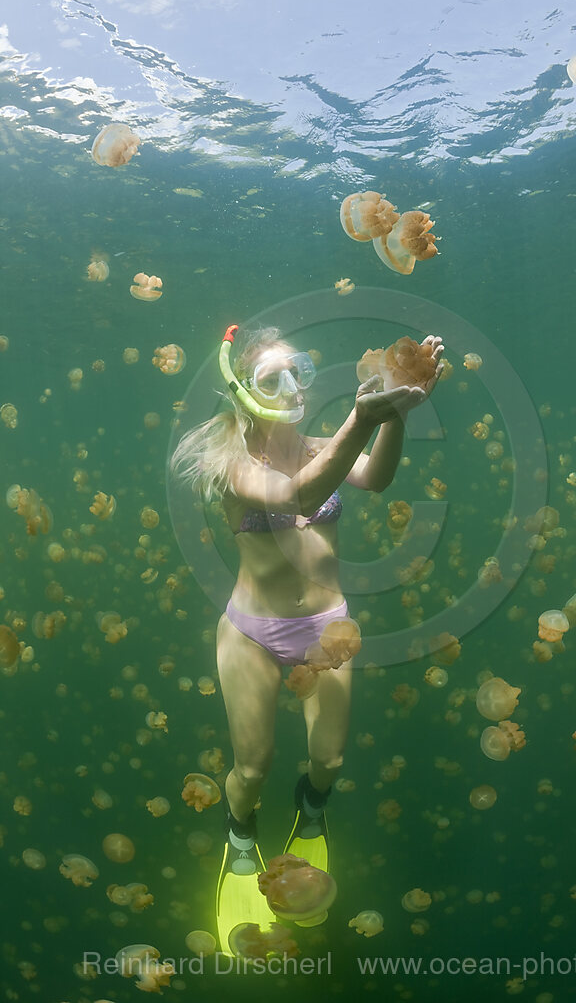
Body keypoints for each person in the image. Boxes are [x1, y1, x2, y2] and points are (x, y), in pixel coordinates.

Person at [171, 323, 443, 948]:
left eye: (299, 370)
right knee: (253, 762)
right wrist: (363, 415)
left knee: (330, 759)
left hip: (328, 627)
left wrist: (393, 412)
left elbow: (374, 478)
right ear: (244, 391)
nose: (292, 386)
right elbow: (298, 495)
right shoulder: (231, 463)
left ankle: (311, 811)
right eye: (273, 378)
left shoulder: (323, 443)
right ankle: (240, 835)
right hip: (251, 632)